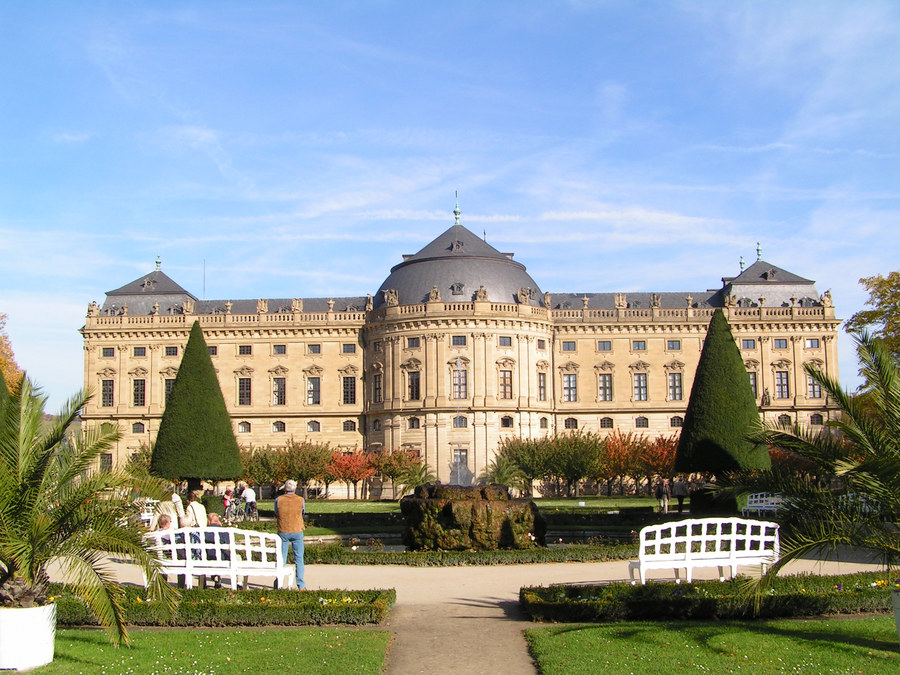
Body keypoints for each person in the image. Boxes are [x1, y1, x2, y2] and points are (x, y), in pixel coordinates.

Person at [274, 479, 306, 589]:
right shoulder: (300, 500)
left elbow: (276, 512)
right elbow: (303, 512)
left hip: (283, 530)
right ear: (295, 489)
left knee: (281, 558)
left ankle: (279, 582)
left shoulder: (278, 500)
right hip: (297, 530)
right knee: (299, 558)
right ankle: (301, 585)